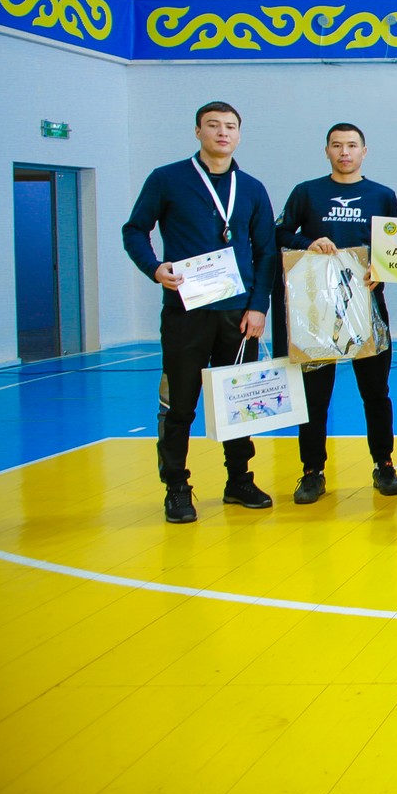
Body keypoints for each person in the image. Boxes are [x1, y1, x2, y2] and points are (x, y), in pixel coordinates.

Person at [123, 101, 277, 522]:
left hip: (238, 315)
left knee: (239, 401)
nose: (222, 133)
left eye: (230, 126)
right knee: (180, 403)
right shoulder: (167, 179)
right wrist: (154, 268)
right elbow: (134, 230)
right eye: (213, 125)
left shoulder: (251, 188)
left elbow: (266, 251)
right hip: (185, 313)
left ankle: (239, 479)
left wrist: (258, 307)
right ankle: (176, 486)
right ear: (197, 131)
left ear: (239, 135)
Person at [275, 122, 397, 502]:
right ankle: (312, 471)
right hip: (316, 311)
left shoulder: (383, 195)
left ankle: (384, 463)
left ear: (364, 151)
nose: (344, 152)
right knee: (315, 397)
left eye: (351, 145)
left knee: (376, 392)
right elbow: (279, 234)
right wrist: (308, 242)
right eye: (337, 145)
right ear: (327, 151)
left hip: (367, 308)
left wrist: (382, 272)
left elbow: (396, 249)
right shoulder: (307, 192)